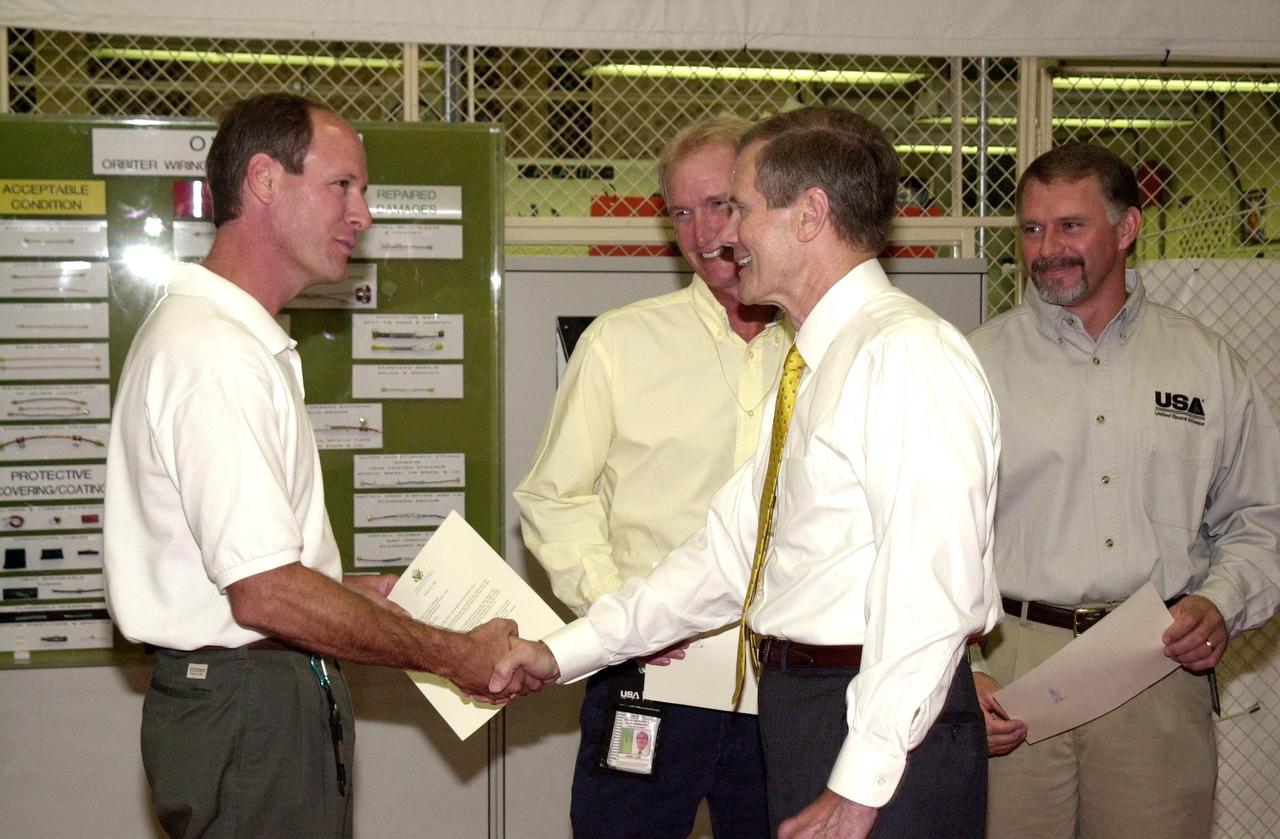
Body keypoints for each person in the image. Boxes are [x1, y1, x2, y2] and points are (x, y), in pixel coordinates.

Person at [495, 106, 1003, 839]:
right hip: (808, 711)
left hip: (879, 724)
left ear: (809, 215)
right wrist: (561, 651)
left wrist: (858, 784)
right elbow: (726, 557)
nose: (723, 235)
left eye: (740, 208)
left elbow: (931, 592)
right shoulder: (812, 366)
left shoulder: (906, 356)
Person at [103, 92, 541, 839]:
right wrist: (453, 655)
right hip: (250, 703)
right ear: (266, 181)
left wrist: (347, 592)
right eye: (343, 185)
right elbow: (266, 595)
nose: (363, 213)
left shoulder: (234, 340)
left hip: (263, 694)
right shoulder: (215, 353)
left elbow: (240, 572)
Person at [966, 142, 1280, 838]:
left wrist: (1220, 601)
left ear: (1128, 228)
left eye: (1070, 226)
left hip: (1156, 668)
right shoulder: (975, 365)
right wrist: (959, 673)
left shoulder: (1206, 363)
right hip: (1012, 673)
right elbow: (925, 536)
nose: (1046, 249)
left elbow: (1264, 519)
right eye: (1031, 229)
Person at [514, 115, 782, 838]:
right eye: (681, 213)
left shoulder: (823, 348)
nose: (700, 233)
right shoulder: (620, 344)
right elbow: (551, 496)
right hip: (646, 680)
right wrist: (617, 611)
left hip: (789, 690)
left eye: (721, 204)